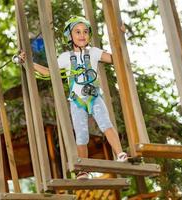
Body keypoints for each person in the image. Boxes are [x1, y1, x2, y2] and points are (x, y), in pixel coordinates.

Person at [20, 16, 128, 179]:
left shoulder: (94, 52)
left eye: (85, 32)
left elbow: (115, 58)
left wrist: (120, 38)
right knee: (81, 134)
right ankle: (83, 169)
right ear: (70, 36)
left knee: (106, 124)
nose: (82, 35)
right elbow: (49, 72)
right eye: (77, 32)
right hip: (77, 101)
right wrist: (28, 62)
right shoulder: (65, 57)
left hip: (94, 97)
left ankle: (120, 154)